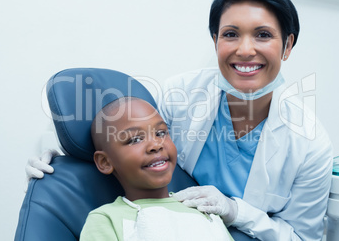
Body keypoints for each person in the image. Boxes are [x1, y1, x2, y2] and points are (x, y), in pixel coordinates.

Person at [27, 0, 333, 240]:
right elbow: (123, 131)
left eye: (263, 34)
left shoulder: (309, 143)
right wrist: (56, 150)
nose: (245, 49)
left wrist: (236, 211)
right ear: (215, 41)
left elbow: (301, 237)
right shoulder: (180, 93)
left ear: (288, 45)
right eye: (230, 34)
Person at [80, 97, 233, 240]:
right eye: (135, 139)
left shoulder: (203, 208)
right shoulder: (107, 219)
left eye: (161, 133)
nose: (155, 145)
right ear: (105, 162)